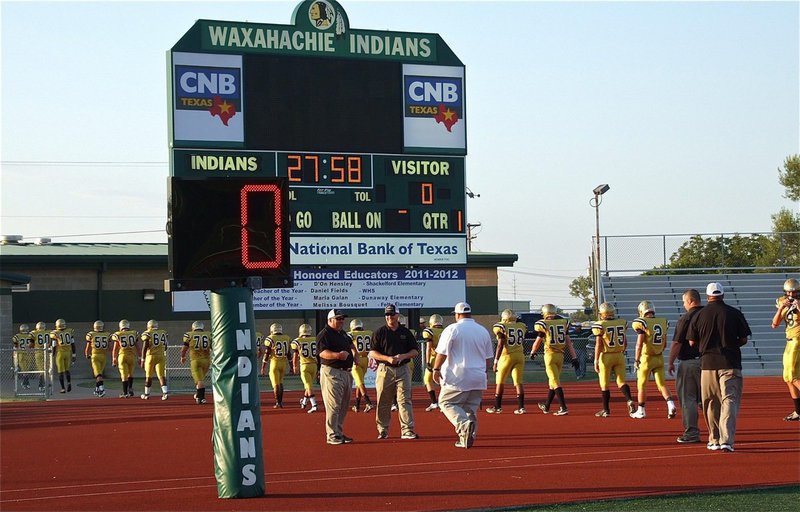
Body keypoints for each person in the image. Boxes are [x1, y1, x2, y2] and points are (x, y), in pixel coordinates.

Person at [688, 282, 751, 453]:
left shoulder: (699, 316)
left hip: (708, 364)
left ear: (708, 296)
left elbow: (692, 341)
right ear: (722, 294)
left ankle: (714, 439)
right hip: (730, 363)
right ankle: (727, 440)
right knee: (729, 400)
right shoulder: (734, 313)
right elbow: (744, 339)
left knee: (710, 403)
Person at [433, 302, 494, 448]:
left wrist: (435, 369)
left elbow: (442, 352)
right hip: (478, 375)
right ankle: (466, 438)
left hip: (458, 375)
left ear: (457, 314)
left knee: (446, 402)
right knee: (470, 409)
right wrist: (483, 372)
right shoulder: (482, 330)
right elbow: (488, 359)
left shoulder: (453, 329)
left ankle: (464, 425)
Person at [369, 304, 420, 440]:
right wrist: (387, 358)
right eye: (387, 315)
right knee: (383, 400)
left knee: (404, 400)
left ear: (397, 315)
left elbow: (415, 350)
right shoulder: (379, 332)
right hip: (385, 369)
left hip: (403, 369)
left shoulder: (405, 332)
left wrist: (402, 356)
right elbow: (373, 352)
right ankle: (382, 429)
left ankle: (407, 429)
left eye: (392, 314)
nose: (389, 317)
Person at [667, 289, 704, 443]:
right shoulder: (709, 315)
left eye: (684, 302)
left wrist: (670, 361)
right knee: (710, 399)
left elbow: (677, 343)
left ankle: (692, 433)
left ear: (690, 301)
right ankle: (719, 432)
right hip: (710, 361)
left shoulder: (686, 318)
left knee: (688, 398)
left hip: (689, 362)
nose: (683, 305)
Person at [317, 309, 358, 445]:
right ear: (330, 320)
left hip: (346, 372)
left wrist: (355, 355)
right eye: (338, 318)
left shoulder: (343, 333)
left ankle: (338, 432)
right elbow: (322, 353)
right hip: (332, 371)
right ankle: (332, 434)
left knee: (343, 405)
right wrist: (337, 355)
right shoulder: (325, 334)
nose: (341, 321)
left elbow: (351, 345)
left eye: (342, 318)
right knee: (333, 405)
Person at [630, 301, 677, 419]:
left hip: (646, 358)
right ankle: (670, 405)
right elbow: (665, 343)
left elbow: (639, 344)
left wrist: (636, 359)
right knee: (662, 384)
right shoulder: (662, 322)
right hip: (659, 357)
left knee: (642, 385)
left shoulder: (642, 323)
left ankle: (641, 410)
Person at [532, 304, 580, 416]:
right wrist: (574, 357)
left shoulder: (544, 325)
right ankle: (547, 406)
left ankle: (563, 407)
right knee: (552, 382)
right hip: (561, 356)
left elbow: (537, 341)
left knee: (555, 382)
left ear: (545, 313)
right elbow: (569, 343)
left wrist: (533, 352)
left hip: (550, 355)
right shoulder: (562, 324)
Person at [592, 303, 636, 417]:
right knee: (621, 381)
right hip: (619, 355)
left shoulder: (600, 325)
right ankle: (629, 399)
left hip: (606, 356)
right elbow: (625, 343)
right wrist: (620, 350)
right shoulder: (621, 323)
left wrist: (596, 360)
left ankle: (606, 410)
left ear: (602, 314)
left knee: (604, 385)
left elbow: (598, 345)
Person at [487, 309, 528, 414]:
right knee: (518, 381)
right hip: (520, 355)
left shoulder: (501, 327)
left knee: (500, 381)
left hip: (507, 356)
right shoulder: (521, 326)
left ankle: (497, 407)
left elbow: (500, 344)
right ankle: (521, 407)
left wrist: (495, 361)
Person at [772, 278, 800, 421]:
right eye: (788, 292)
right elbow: (774, 324)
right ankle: (798, 411)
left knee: (792, 376)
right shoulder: (782, 301)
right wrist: (782, 308)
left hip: (798, 341)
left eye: (794, 292)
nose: (791, 295)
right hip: (789, 342)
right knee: (788, 378)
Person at [261, 323, 291, 408]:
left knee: (276, 384)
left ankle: (278, 402)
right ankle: (280, 402)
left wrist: (263, 366)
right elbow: (289, 354)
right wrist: (292, 366)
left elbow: (267, 353)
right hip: (283, 363)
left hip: (275, 363)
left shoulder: (271, 338)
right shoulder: (287, 338)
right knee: (281, 383)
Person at [291, 323, 320, 413]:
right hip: (314, 365)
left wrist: (294, 366)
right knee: (308, 386)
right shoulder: (315, 340)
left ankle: (314, 404)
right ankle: (304, 402)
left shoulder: (297, 341)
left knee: (308, 386)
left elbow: (295, 356)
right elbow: (319, 355)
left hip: (305, 366)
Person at [347, 319, 374, 413]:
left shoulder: (350, 334)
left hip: (356, 359)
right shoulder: (368, 333)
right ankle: (357, 405)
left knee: (360, 383)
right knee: (359, 382)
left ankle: (368, 402)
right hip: (366, 359)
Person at [181, 321, 211, 404]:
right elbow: (213, 347)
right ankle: (198, 394)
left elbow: (184, 348)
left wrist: (183, 356)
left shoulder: (189, 335)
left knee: (200, 381)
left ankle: (201, 398)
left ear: (193, 327)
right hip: (207, 361)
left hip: (196, 360)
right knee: (199, 380)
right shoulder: (208, 334)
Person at [140, 319, 169, 400]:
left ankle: (146, 394)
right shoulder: (163, 332)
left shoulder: (148, 333)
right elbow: (166, 346)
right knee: (161, 375)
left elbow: (145, 347)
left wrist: (142, 359)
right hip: (161, 356)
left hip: (151, 356)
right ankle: (165, 393)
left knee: (148, 376)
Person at [422, 314, 445, 411]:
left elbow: (428, 348)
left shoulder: (430, 331)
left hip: (434, 359)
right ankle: (443, 402)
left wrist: (427, 361)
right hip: (446, 359)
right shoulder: (446, 331)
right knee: (444, 381)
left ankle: (434, 402)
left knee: (427, 380)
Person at [111, 319, 140, 398]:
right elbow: (138, 347)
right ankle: (130, 389)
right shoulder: (133, 333)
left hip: (122, 356)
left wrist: (114, 358)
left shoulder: (118, 334)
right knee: (130, 374)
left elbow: (115, 349)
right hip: (132, 356)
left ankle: (125, 392)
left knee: (124, 375)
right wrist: (140, 357)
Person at [85, 320, 111, 397]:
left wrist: (87, 354)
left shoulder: (91, 334)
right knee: (99, 374)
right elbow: (110, 348)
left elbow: (87, 348)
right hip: (103, 356)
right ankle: (97, 389)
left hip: (95, 356)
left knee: (98, 375)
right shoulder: (107, 334)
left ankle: (102, 389)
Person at [50, 319, 76, 394]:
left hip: (60, 353)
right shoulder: (69, 331)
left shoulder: (55, 333)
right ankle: (69, 383)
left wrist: (52, 355)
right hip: (68, 353)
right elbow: (73, 344)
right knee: (67, 370)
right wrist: (74, 354)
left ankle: (63, 388)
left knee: (60, 372)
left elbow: (54, 345)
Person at [12, 324, 33, 390]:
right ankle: (26, 383)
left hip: (21, 354)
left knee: (25, 370)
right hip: (28, 354)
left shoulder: (17, 336)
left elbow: (15, 345)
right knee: (26, 370)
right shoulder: (30, 336)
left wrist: (15, 352)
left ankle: (25, 383)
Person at [30, 322, 49, 391]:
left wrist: (30, 349)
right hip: (47, 352)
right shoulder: (48, 332)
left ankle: (42, 385)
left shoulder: (34, 333)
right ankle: (47, 384)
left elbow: (31, 343)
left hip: (38, 352)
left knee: (41, 370)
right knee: (47, 369)